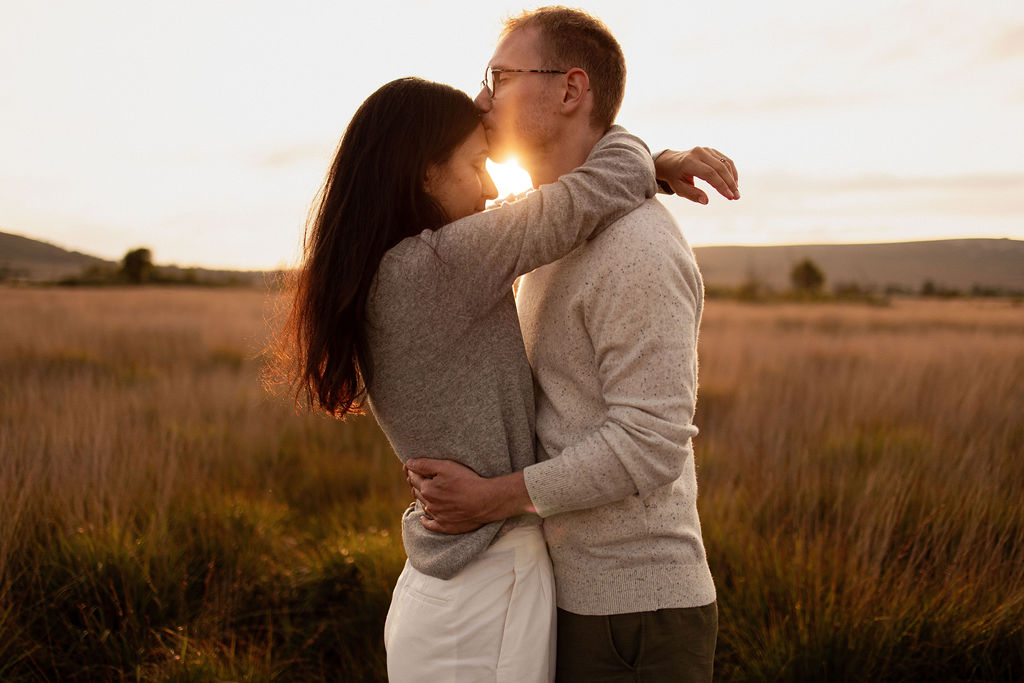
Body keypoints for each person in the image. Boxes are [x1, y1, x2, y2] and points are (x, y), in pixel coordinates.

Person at [272, 74, 724, 681]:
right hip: (486, 587)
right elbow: (597, 188)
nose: (490, 188)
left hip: (450, 587)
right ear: (424, 174)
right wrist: (650, 155)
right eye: (478, 164)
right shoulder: (442, 264)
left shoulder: (399, 266)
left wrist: (653, 162)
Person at [406, 7, 736, 681]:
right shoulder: (546, 233)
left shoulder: (637, 245)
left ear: (569, 90)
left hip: (637, 612)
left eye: (499, 76)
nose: (481, 98)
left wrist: (492, 496)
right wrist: (654, 158)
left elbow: (650, 442)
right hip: (568, 592)